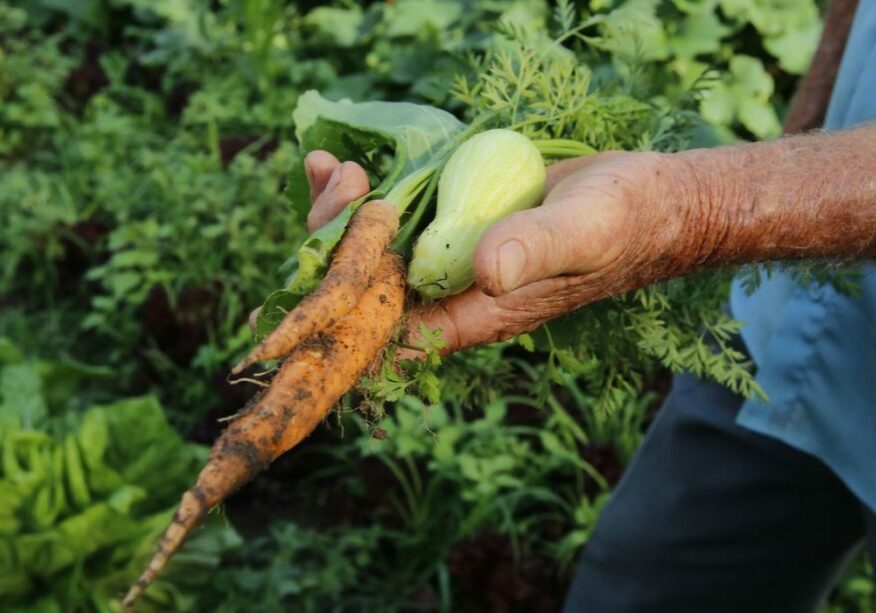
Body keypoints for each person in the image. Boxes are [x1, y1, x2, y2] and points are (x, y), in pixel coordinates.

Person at [301, 1, 875, 609]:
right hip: (773, 334)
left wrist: (697, 209)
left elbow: (689, 207)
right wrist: (799, 141)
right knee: (640, 582)